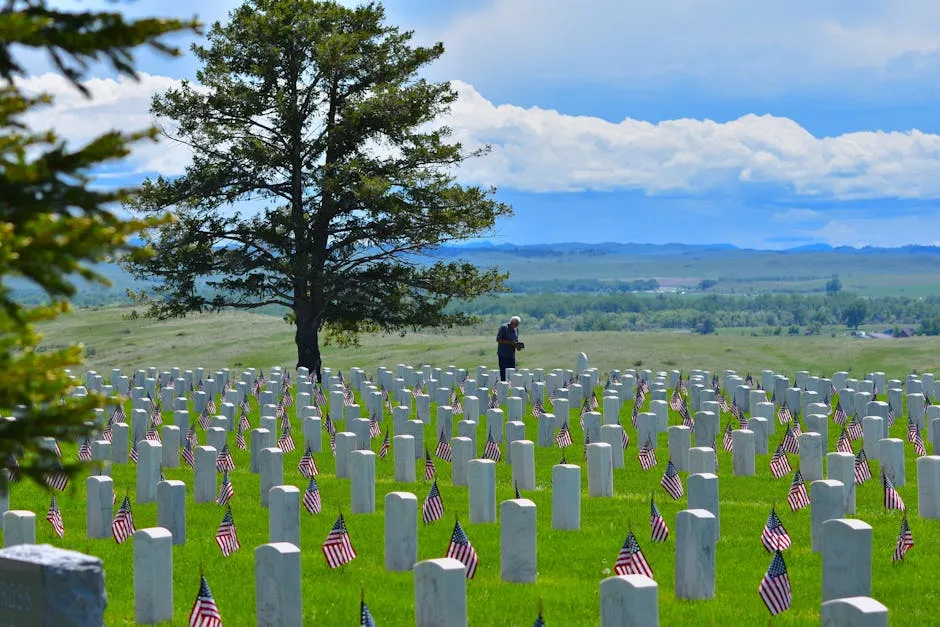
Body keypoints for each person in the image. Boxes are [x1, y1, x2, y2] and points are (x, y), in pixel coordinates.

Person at [496, 316, 523, 381]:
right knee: (503, 373)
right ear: (511, 322)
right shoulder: (504, 327)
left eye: (518, 325)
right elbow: (498, 339)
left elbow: (515, 341)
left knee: (512, 373)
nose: (516, 326)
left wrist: (518, 346)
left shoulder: (516, 329)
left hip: (511, 355)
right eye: (515, 324)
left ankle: (510, 388)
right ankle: (503, 387)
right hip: (503, 355)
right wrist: (511, 343)